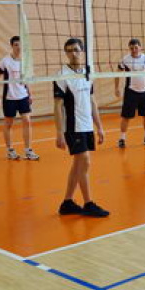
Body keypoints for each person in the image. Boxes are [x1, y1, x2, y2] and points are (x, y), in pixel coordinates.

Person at [53, 38, 109, 217]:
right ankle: (88, 203)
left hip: (86, 125)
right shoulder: (62, 75)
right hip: (72, 126)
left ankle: (67, 202)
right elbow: (57, 106)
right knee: (85, 161)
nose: (73, 53)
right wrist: (59, 132)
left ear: (82, 51)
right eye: (69, 50)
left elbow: (92, 101)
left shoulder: (88, 73)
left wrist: (99, 126)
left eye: (76, 50)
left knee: (78, 164)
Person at [0, 36, 39, 161]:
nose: (19, 47)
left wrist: (30, 94)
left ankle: (28, 150)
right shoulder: (5, 61)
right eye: (16, 45)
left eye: (20, 45)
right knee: (9, 123)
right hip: (9, 97)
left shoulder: (25, 61)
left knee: (27, 120)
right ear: (12, 46)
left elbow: (26, 79)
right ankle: (10, 150)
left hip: (23, 96)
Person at [115, 39, 145, 148]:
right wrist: (116, 88)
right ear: (129, 49)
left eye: (136, 47)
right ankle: (122, 139)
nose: (134, 50)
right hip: (131, 91)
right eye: (131, 48)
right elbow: (117, 74)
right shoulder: (125, 59)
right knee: (126, 116)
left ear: (140, 47)